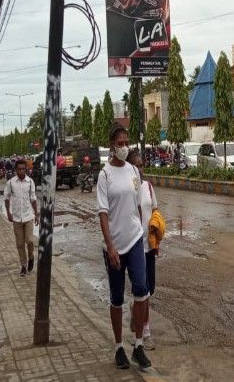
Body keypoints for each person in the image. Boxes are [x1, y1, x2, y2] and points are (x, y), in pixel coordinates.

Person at [97, 125, 152, 370]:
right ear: (112, 145)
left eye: (126, 142)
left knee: (142, 290)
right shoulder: (104, 175)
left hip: (135, 241)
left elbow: (138, 205)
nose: (124, 146)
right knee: (117, 297)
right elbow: (103, 213)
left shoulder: (133, 171)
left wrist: (142, 233)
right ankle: (119, 346)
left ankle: (138, 344)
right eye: (120, 143)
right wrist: (110, 247)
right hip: (115, 245)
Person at [128, 150, 165, 351]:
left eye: (142, 165)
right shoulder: (127, 189)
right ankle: (145, 331)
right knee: (142, 290)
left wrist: (156, 230)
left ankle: (136, 312)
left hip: (148, 246)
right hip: (133, 247)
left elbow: (155, 209)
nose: (140, 169)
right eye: (136, 166)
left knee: (149, 288)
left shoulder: (148, 187)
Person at [4, 159, 38, 277]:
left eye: (23, 169)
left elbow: (33, 198)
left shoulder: (30, 182)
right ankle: (23, 266)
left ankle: (31, 256)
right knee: (19, 244)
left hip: (28, 216)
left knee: (29, 241)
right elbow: (7, 198)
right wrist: (8, 212)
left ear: (26, 169)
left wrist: (36, 213)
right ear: (16, 170)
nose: (21, 171)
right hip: (17, 218)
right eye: (19, 169)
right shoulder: (11, 183)